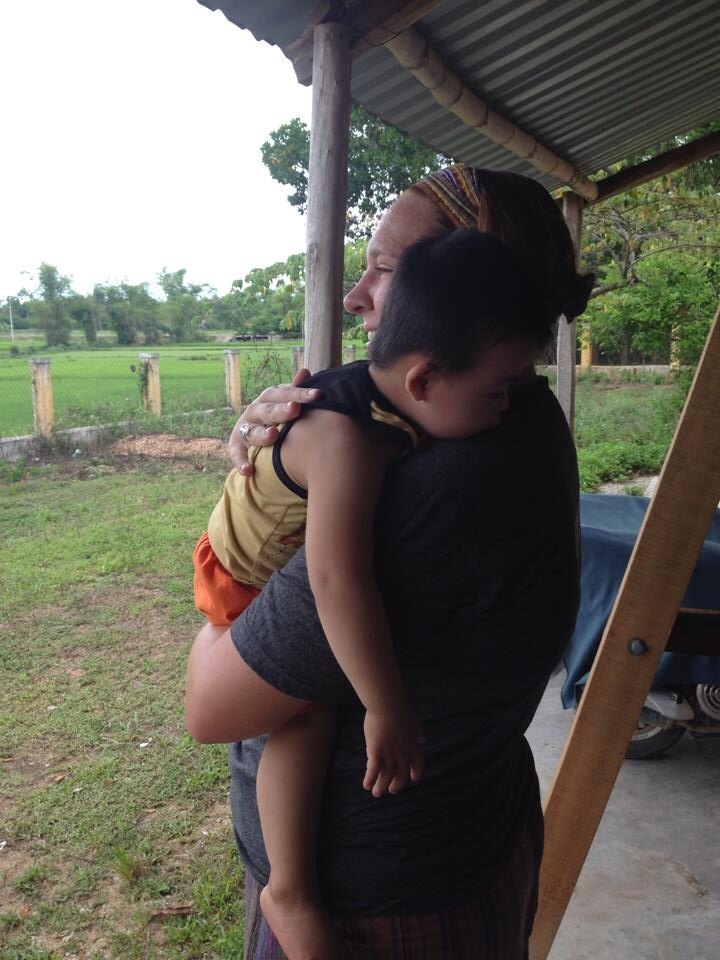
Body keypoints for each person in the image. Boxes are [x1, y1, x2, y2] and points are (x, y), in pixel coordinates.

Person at [185, 164, 594, 959]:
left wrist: (219, 618)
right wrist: (270, 463)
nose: (355, 297)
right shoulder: (517, 414)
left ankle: (289, 889)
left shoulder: (439, 489)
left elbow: (211, 708)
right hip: (467, 842)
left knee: (295, 709)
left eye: (387, 269)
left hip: (381, 910)